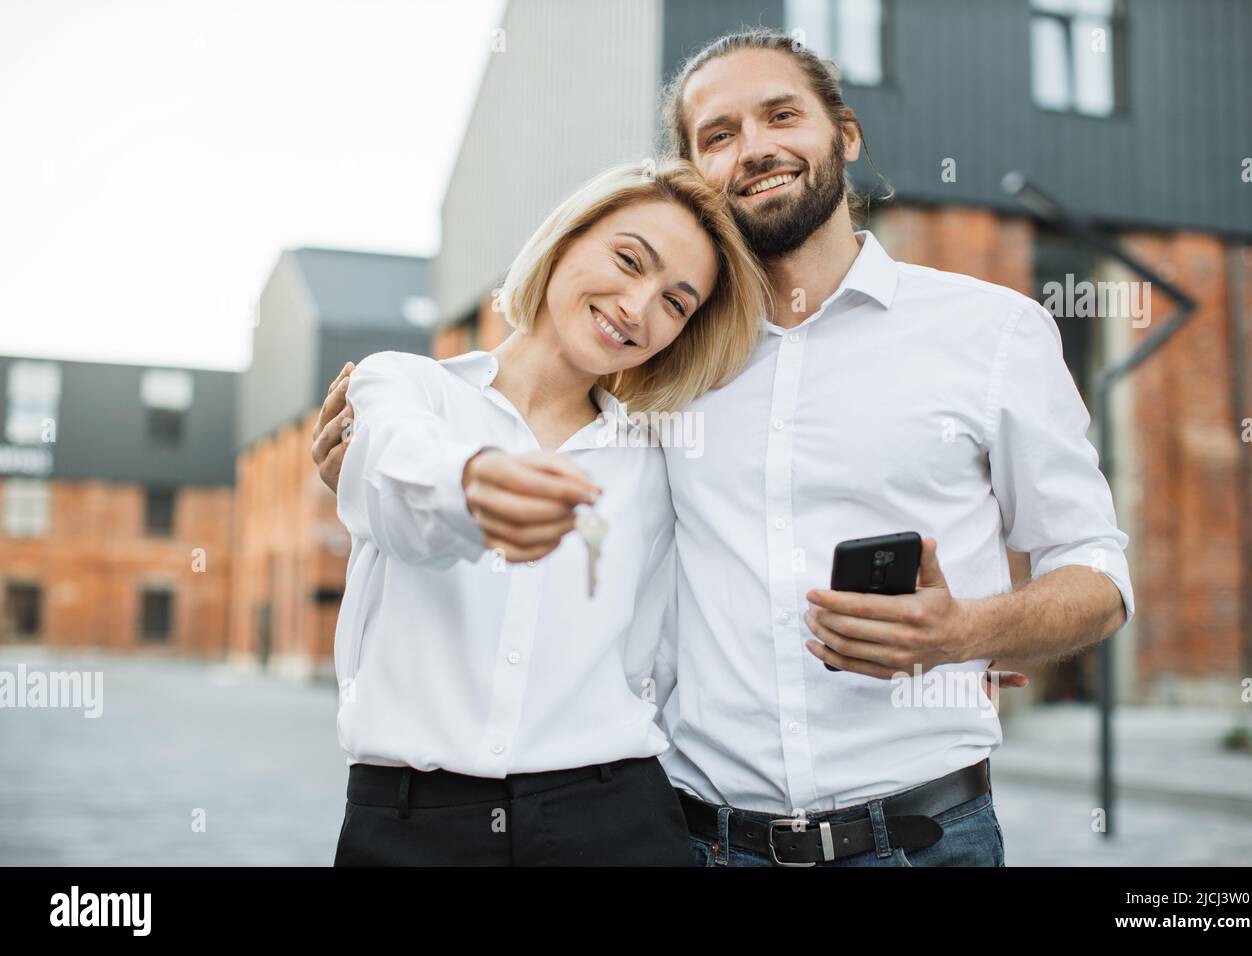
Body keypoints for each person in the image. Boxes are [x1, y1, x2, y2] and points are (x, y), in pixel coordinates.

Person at [316, 27, 1128, 868]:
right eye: (719, 135)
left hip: (923, 839)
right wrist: (393, 470)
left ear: (844, 134)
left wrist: (964, 634)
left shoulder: (992, 332)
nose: (757, 148)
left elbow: (1096, 573)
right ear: (694, 173)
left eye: (782, 115)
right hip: (704, 841)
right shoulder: (668, 382)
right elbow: (447, 459)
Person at [328, 157, 770, 865]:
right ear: (566, 239)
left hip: (614, 821)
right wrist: (473, 485)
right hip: (410, 827)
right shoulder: (408, 386)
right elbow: (390, 477)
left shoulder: (658, 463)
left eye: (674, 303)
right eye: (629, 261)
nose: (636, 307)